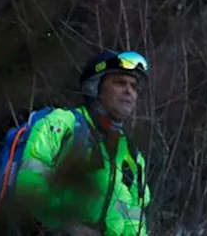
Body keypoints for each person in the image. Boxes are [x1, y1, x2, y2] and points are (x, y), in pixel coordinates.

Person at [9, 49, 151, 235]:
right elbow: (29, 186)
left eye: (134, 86)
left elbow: (134, 218)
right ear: (95, 88)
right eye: (120, 83)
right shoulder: (63, 124)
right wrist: (69, 227)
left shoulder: (130, 154)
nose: (129, 92)